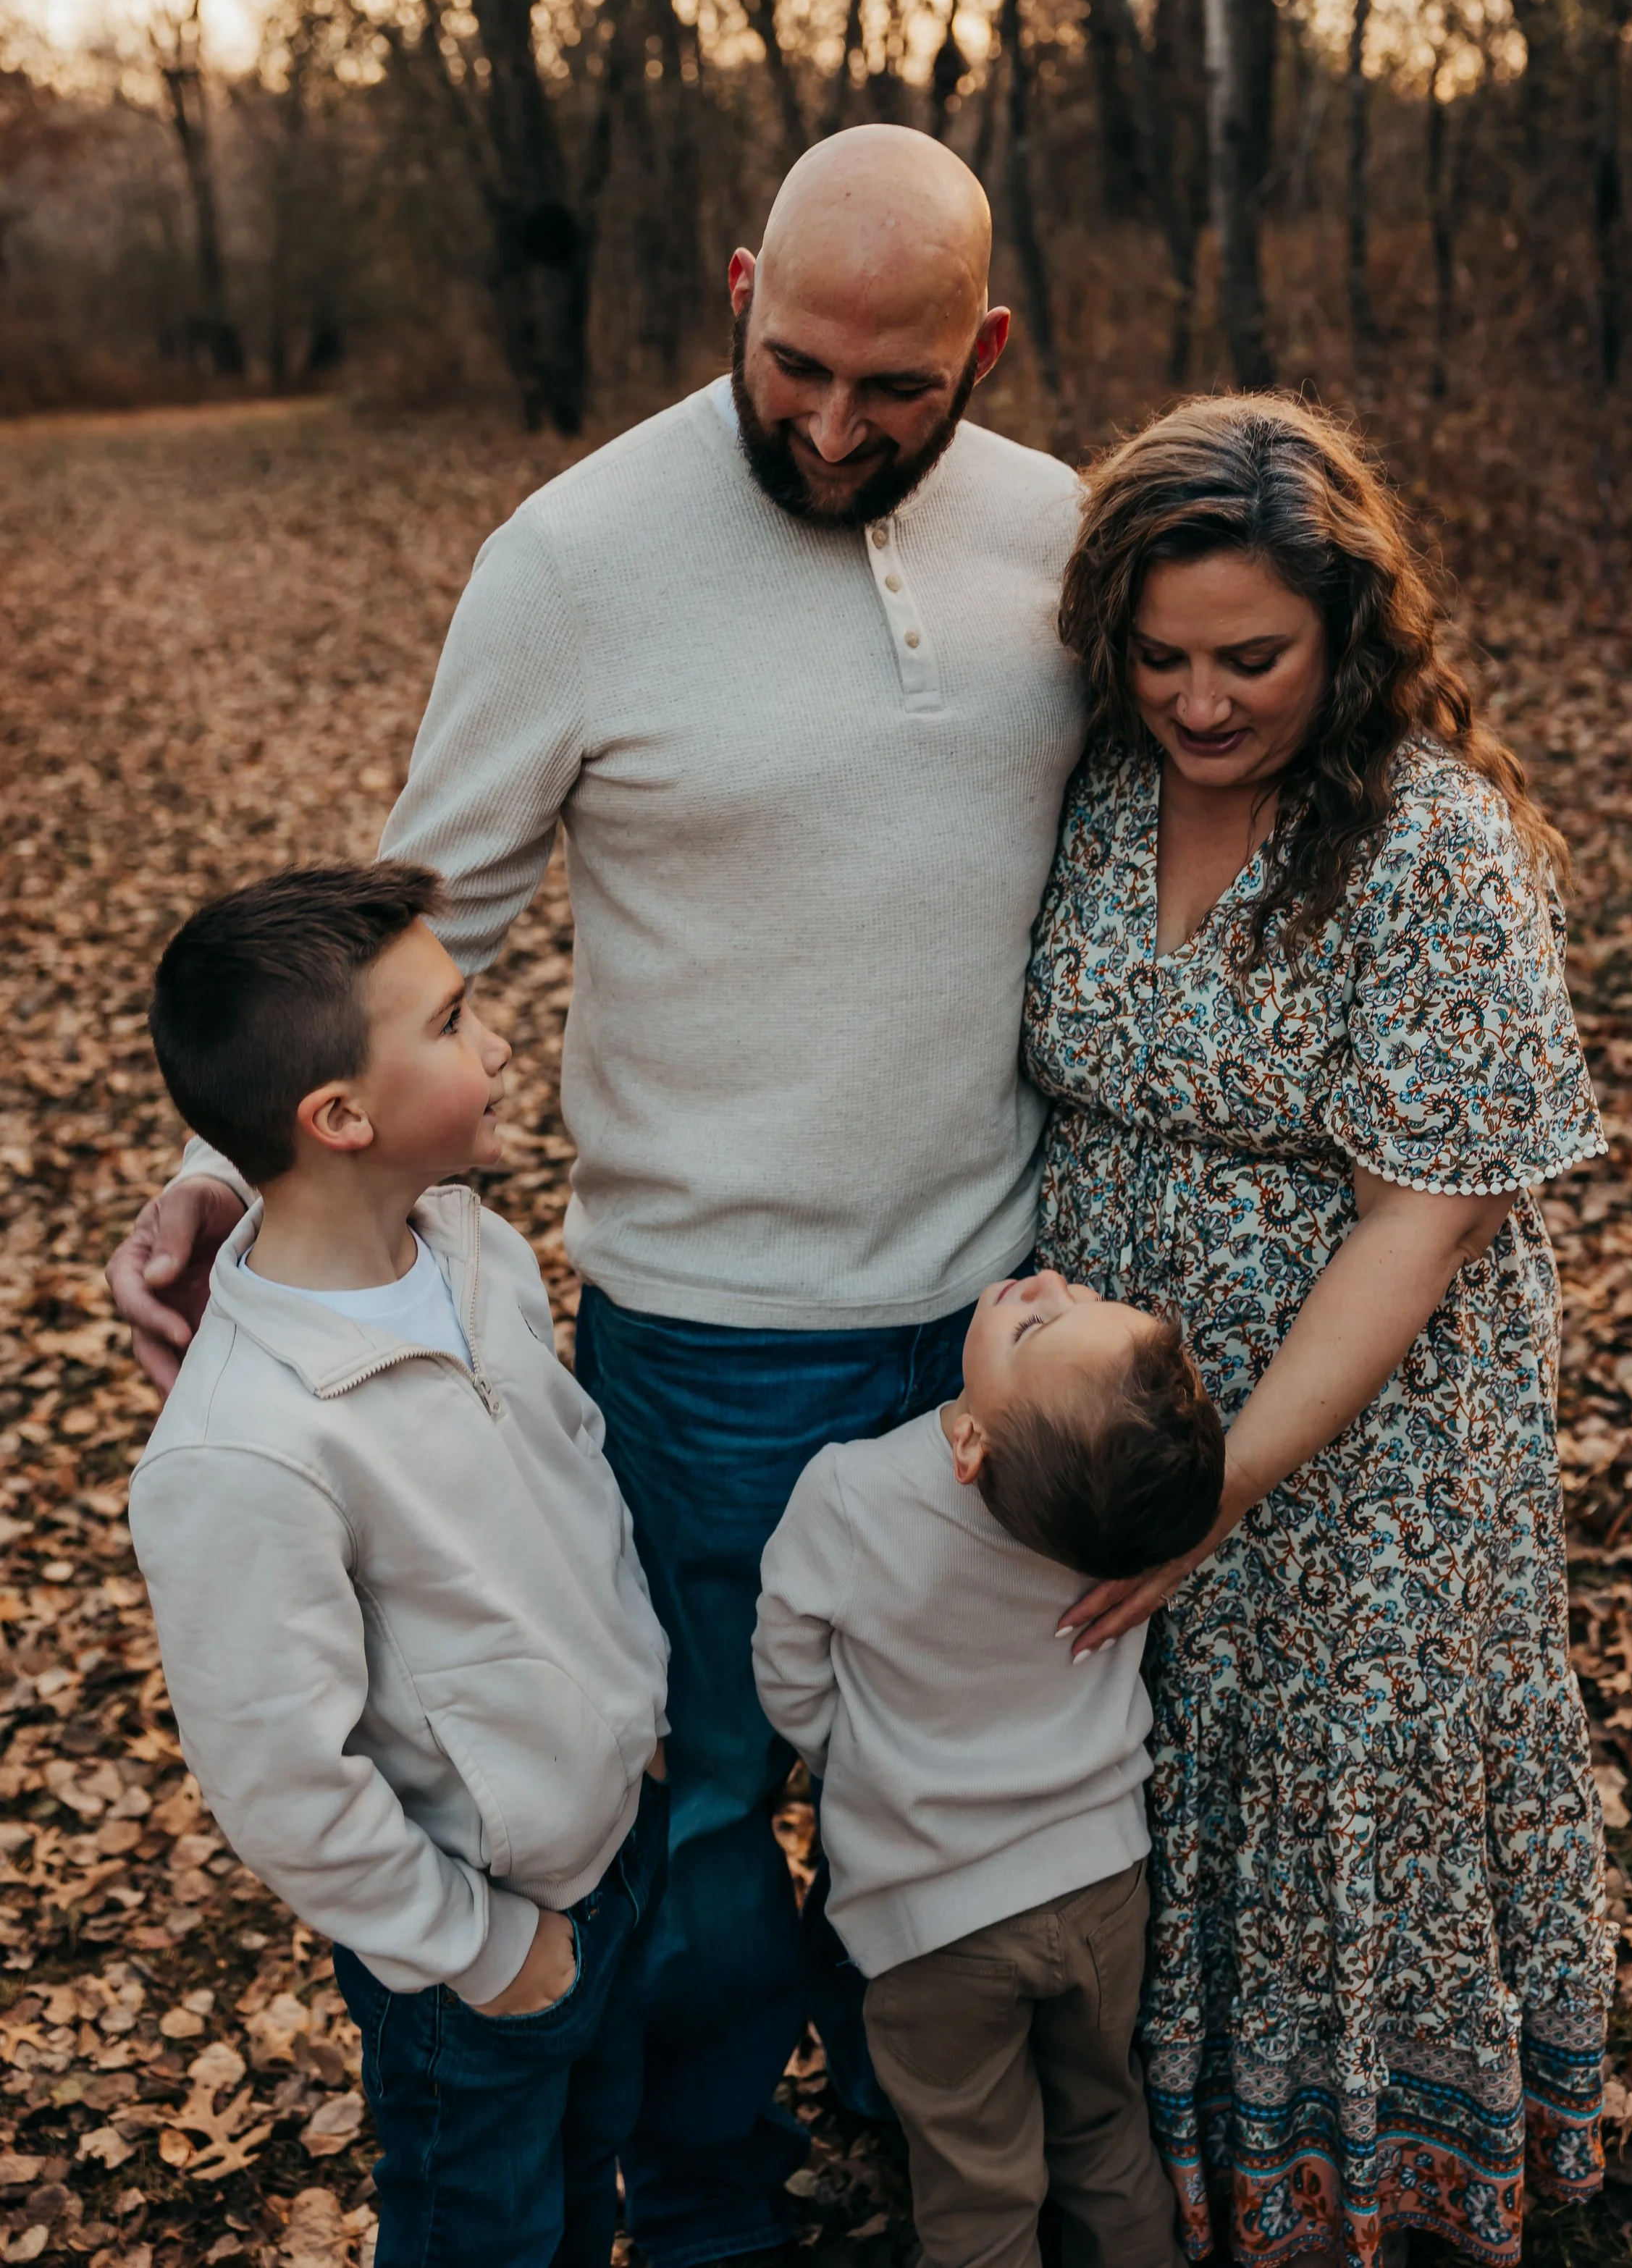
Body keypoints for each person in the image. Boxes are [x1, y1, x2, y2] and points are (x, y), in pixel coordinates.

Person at [107, 127, 1089, 2268]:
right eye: (791, 361)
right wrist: (225, 1162)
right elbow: (422, 883)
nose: (831, 424)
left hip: (1007, 1314)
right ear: (736, 289)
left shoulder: (1068, 539)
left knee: (980, 1784)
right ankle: (714, 2196)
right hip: (718, 1330)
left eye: (895, 385)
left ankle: (961, 2156)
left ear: (986, 349)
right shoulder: (571, 556)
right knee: (717, 1811)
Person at [1022, 397, 1615, 2268]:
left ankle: (1378, 2186)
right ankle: (1164, 2162)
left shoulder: (1423, 842)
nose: (1199, 701)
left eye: (1251, 659)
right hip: (1119, 1398)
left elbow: (1422, 1215)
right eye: (1160, 653)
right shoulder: (1095, 783)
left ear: (1346, 631)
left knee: (1337, 1781)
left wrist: (1226, 1485)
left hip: (1367, 1432)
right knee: (1165, 1765)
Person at [127, 863, 671, 2268]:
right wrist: (487, 1951)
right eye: (452, 1020)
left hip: (611, 1842)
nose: (497, 1042)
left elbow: (571, 1498)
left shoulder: (472, 1247)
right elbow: (287, 1787)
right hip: (465, 1952)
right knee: (480, 2231)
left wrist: (638, 1724)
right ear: (341, 1117)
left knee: (582, 2183)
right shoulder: (244, 1450)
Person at [753, 1267, 1223, 2268]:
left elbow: (788, 1671)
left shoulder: (851, 1492)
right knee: (1105, 2129)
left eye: (1043, 1323)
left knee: (978, 2181)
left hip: (935, 1921)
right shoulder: (1123, 1506)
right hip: (1102, 1888)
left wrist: (858, 1764)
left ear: (971, 1446)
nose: (1046, 1282)